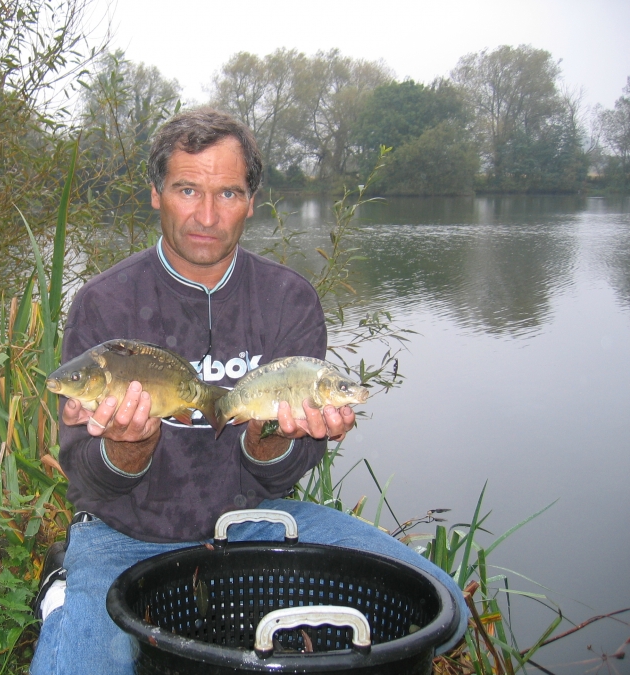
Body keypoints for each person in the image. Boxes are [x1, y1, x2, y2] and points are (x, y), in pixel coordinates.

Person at [29, 108, 466, 675]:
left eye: (228, 193)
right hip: (123, 535)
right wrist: (129, 444)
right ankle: (69, 593)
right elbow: (86, 475)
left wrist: (272, 435)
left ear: (252, 200)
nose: (207, 215)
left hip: (255, 521)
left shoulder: (290, 299)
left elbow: (277, 473)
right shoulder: (103, 304)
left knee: (445, 611)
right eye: (188, 189)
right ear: (156, 193)